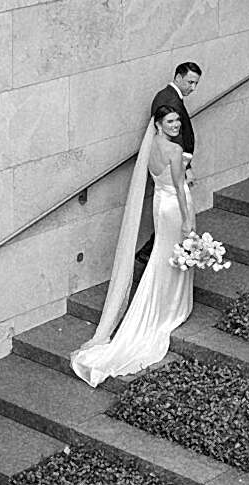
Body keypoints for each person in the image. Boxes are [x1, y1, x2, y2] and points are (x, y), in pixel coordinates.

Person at [70, 105, 196, 388]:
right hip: (175, 206)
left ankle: (164, 304)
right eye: (171, 121)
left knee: (164, 255)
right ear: (160, 124)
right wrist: (188, 219)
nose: (176, 125)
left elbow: (161, 180)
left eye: (177, 120)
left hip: (159, 205)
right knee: (174, 255)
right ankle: (169, 308)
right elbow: (178, 186)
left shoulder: (150, 148)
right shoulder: (174, 151)